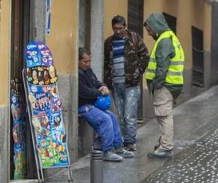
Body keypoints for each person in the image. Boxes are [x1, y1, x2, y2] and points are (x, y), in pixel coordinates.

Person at [104, 15, 150, 152]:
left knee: (129, 115)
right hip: (116, 84)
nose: (118, 31)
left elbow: (145, 56)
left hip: (131, 84)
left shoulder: (134, 38)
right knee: (120, 115)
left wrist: (138, 72)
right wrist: (108, 80)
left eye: (120, 28)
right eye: (115, 28)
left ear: (125, 27)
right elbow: (106, 62)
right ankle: (122, 141)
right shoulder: (108, 43)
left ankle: (130, 142)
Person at [77, 48, 132, 162]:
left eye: (89, 61)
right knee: (105, 119)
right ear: (78, 61)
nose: (88, 64)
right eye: (85, 62)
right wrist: (99, 92)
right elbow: (83, 92)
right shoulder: (78, 74)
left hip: (92, 104)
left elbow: (95, 82)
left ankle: (118, 147)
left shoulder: (88, 71)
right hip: (84, 105)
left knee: (112, 116)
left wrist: (103, 86)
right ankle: (107, 150)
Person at [143, 13, 184, 159]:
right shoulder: (170, 37)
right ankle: (163, 143)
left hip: (165, 84)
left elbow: (162, 66)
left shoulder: (164, 41)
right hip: (172, 83)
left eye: (149, 29)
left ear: (156, 26)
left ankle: (166, 147)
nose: (149, 33)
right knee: (164, 114)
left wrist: (156, 84)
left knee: (164, 115)